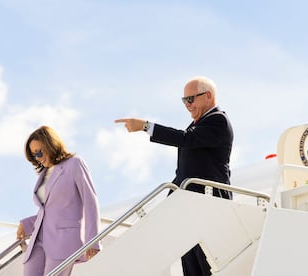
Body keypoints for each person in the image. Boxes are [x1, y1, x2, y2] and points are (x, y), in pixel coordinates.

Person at [115, 76, 233, 276]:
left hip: (207, 201)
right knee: (190, 262)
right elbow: (185, 170)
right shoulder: (200, 124)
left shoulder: (217, 120)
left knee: (206, 263)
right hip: (189, 203)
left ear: (208, 97)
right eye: (184, 100)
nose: (187, 105)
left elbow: (185, 139)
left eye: (191, 99)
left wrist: (146, 126)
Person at [16, 125, 101, 276]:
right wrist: (26, 224)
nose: (39, 157)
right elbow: (49, 210)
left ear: (51, 145)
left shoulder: (74, 164)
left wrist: (93, 240)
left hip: (63, 239)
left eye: (40, 151)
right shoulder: (44, 173)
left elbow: (90, 201)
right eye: (34, 154)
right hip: (39, 240)